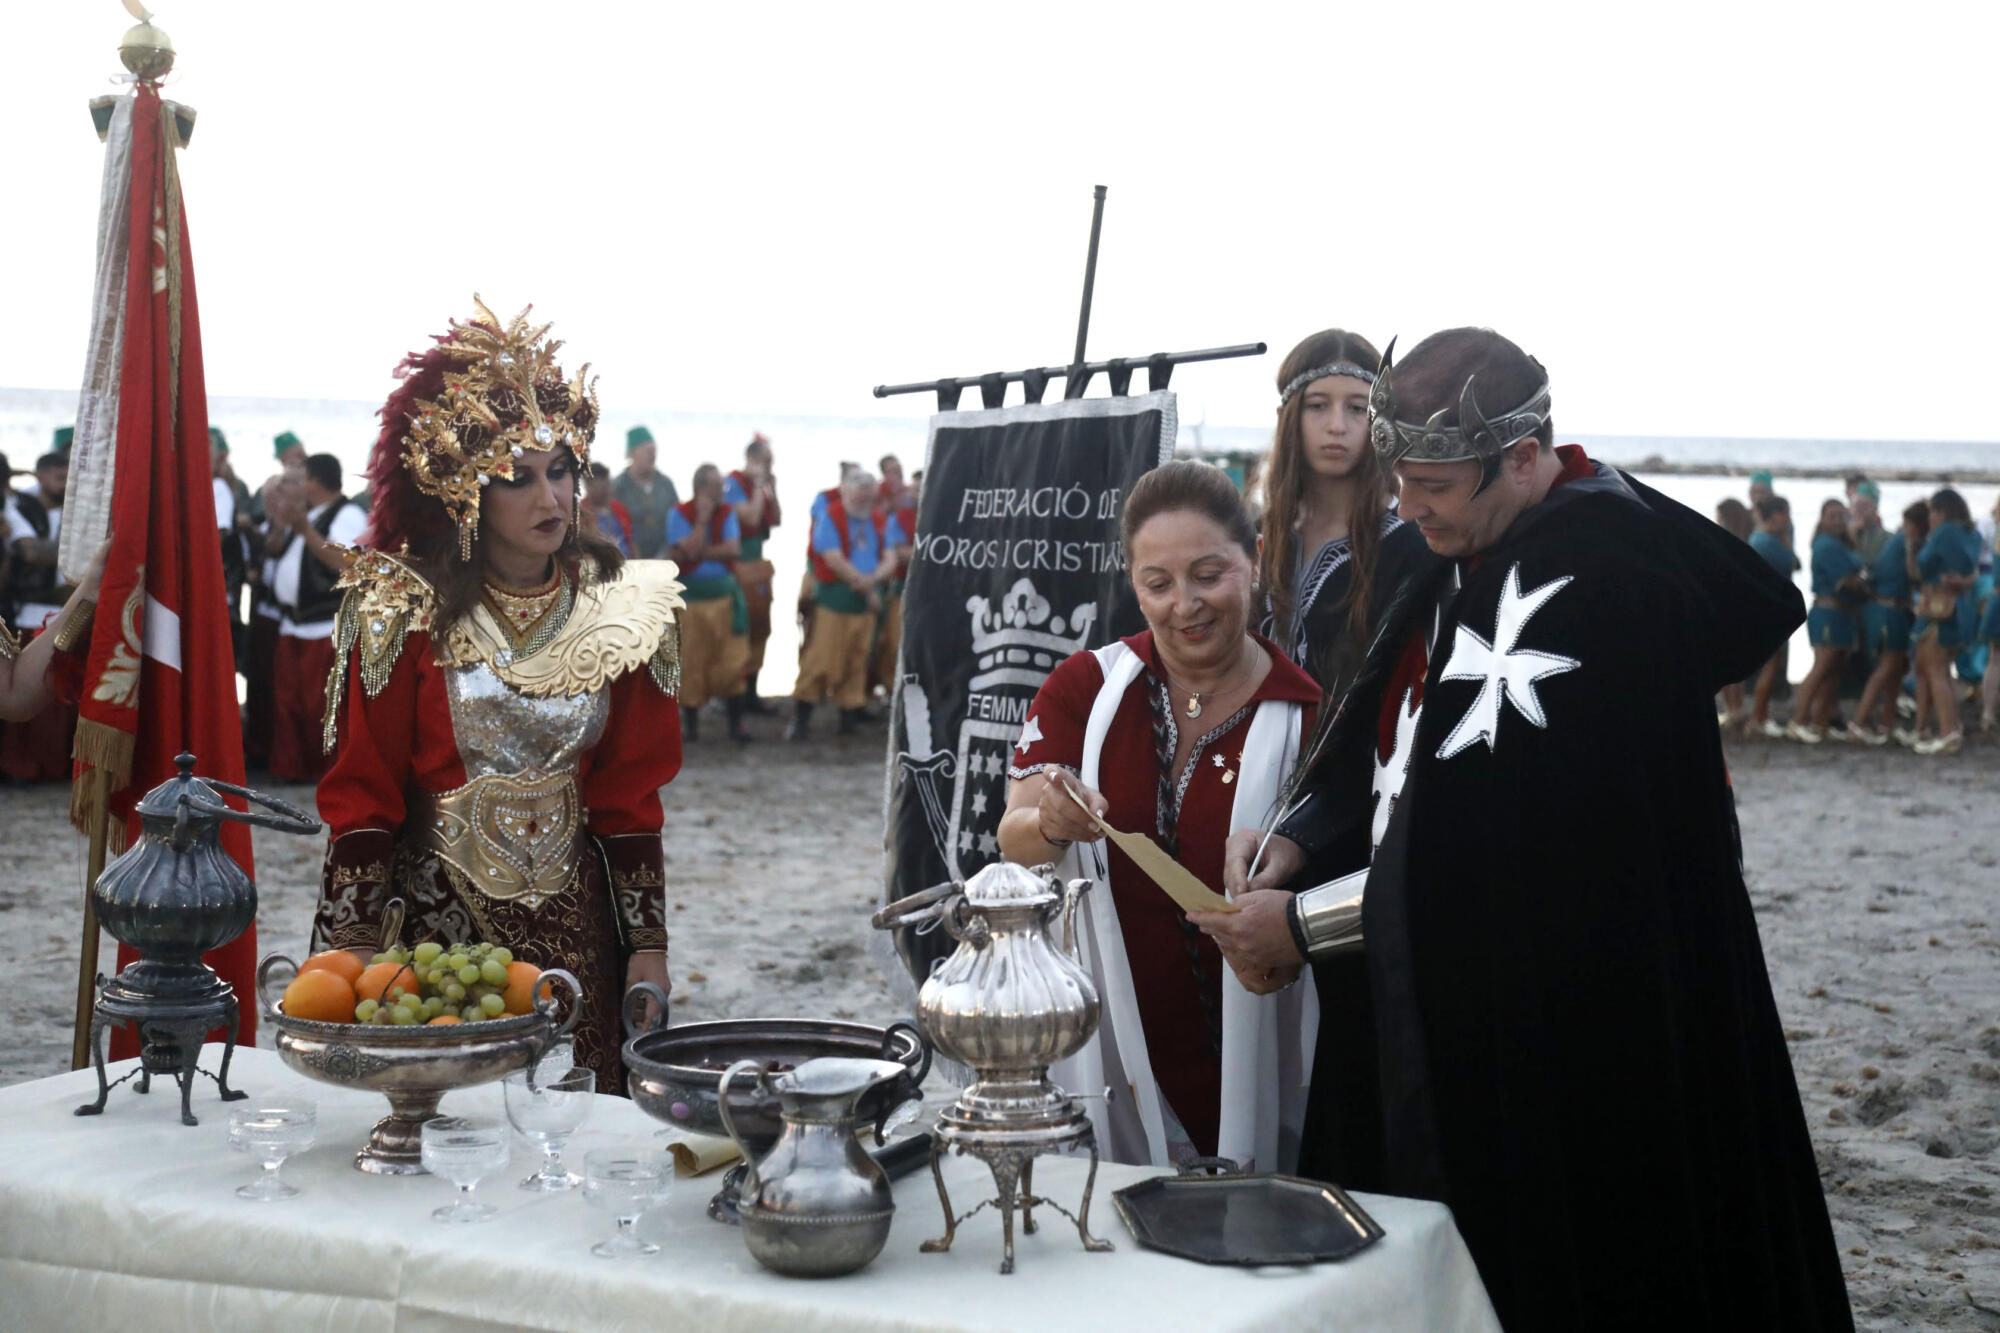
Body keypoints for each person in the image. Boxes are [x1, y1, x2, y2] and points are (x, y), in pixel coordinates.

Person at [1202, 328, 1848, 1331]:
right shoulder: (1433, 551)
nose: (1409, 506)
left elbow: (1519, 853)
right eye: (1400, 481)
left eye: (1433, 485)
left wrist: (1300, 926)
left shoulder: (1606, 579)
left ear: (1523, 457)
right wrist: (1300, 835)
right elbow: (1386, 737)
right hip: (1428, 991)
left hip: (1570, 1017)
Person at [310, 299, 682, 1095]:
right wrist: (352, 950)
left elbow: (628, 798)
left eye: (561, 470)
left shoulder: (621, 612)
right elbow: (364, 794)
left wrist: (649, 946)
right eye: (519, 477)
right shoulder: (401, 613)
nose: (551, 499)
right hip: (435, 930)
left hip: (579, 932)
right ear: (468, 492)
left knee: (575, 1124)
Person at [1001, 460, 1320, 1169]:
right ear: (1133, 583)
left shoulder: (1309, 715)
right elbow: (1014, 838)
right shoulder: (1085, 687)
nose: (1186, 604)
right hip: (1112, 1039)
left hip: (1255, 1038)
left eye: (1208, 575)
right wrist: (1052, 820)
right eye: (1158, 583)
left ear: (1254, 558)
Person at [1254, 329, 1432, 693]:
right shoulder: (1255, 536)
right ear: (1286, 416)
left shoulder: (1412, 547)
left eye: (1357, 408)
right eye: (1317, 405)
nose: (1336, 426)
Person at [267, 453, 368, 782]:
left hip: (324, 623)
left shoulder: (347, 514)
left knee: (320, 703)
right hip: (293, 623)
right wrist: (281, 523)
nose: (296, 487)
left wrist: (305, 529)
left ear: (315, 481)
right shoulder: (309, 516)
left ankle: (326, 771)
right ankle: (292, 769)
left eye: (300, 480)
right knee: (288, 701)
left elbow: (347, 562)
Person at [789, 470, 896, 740]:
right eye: (860, 494)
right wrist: (863, 583)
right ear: (846, 492)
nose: (865, 500)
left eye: (869, 495)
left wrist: (873, 579)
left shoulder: (877, 519)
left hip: (865, 602)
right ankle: (801, 720)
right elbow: (832, 558)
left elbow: (890, 556)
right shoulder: (831, 517)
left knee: (856, 659)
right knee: (821, 659)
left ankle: (848, 717)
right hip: (834, 600)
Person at [0, 447, 79, 781]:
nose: (64, 484)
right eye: (59, 477)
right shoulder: (20, 508)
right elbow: (29, 551)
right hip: (28, 609)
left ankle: (50, 767)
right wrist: (80, 551)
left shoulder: (76, 511)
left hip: (58, 609)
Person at [666, 463, 751, 743]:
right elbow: (686, 551)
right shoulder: (679, 513)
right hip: (691, 602)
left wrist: (699, 552)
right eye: (716, 486)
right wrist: (702, 522)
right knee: (691, 660)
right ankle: (691, 727)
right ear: (701, 488)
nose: (721, 491)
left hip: (724, 599)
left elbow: (733, 549)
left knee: (731, 660)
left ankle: (735, 725)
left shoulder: (727, 513)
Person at [1909, 487, 1980, 755]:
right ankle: (1952, 727)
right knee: (1945, 670)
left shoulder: (1944, 532)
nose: (1930, 518)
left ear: (1941, 511)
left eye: (1932, 512)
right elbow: (1972, 570)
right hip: (1961, 607)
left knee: (1936, 670)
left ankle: (1947, 731)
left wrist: (1916, 547)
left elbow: (1923, 565)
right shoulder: (1971, 533)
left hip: (1939, 607)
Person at [1789, 498, 1865, 743]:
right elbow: (1848, 580)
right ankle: (1798, 721)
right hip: (1828, 613)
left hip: (1842, 614)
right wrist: (1864, 582)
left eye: (1842, 515)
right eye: (1832, 516)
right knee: (1822, 667)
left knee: (1833, 670)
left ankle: (1820, 722)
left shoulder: (1841, 544)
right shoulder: (1826, 545)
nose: (1838, 521)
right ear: (1822, 519)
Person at [1852, 501, 1926, 744]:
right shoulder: (1906, 543)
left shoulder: (1898, 541)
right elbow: (1915, 574)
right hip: (1890, 609)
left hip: (1891, 609)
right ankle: (1859, 723)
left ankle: (1886, 724)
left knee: (1896, 668)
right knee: (1887, 667)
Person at [723, 434, 782, 709]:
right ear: (753, 460)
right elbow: (750, 516)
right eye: (766, 462)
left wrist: (772, 489)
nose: (769, 467)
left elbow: (775, 519)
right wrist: (759, 485)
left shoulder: (762, 487)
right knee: (740, 625)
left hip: (758, 562)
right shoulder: (733, 483)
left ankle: (752, 691)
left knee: (760, 625)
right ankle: (732, 691)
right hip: (739, 563)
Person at [1744, 496, 1800, 738]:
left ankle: (1761, 716)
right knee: (1771, 664)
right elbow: (1793, 563)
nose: (1788, 519)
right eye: (1785, 514)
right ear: (1775, 515)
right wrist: (1786, 539)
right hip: (1769, 609)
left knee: (1772, 664)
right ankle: (1758, 717)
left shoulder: (1761, 538)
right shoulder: (1766, 542)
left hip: (1766, 607)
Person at [1713, 498, 1756, 728]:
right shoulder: (1748, 540)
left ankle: (1732, 710)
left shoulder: (1723, 541)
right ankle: (1737, 709)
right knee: (1735, 664)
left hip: (1724, 609)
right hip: (1742, 609)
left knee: (1723, 663)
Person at [614, 425, 677, 558]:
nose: (652, 455)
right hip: (629, 560)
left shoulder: (666, 485)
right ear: (632, 453)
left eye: (653, 451)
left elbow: (676, 521)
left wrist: (663, 557)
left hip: (665, 558)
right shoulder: (618, 487)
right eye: (646, 451)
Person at [583, 462, 632, 555]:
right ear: (588, 486)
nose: (604, 491)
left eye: (606, 485)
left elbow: (630, 542)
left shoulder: (618, 508)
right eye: (598, 486)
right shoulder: (581, 513)